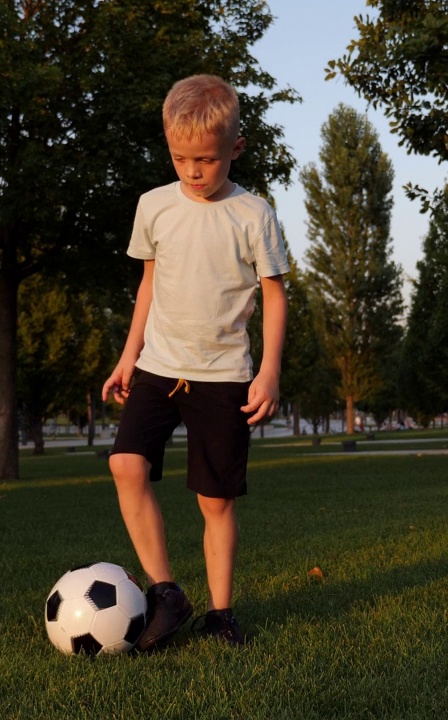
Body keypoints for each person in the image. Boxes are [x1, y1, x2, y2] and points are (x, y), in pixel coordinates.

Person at [101, 74, 288, 651]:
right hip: (159, 366)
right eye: (181, 159)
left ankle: (222, 613)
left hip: (224, 375)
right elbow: (149, 285)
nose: (194, 172)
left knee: (215, 501)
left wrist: (269, 370)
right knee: (125, 466)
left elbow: (276, 294)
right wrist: (129, 356)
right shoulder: (153, 206)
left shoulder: (253, 214)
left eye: (206, 159)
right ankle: (166, 592)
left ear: (235, 147)